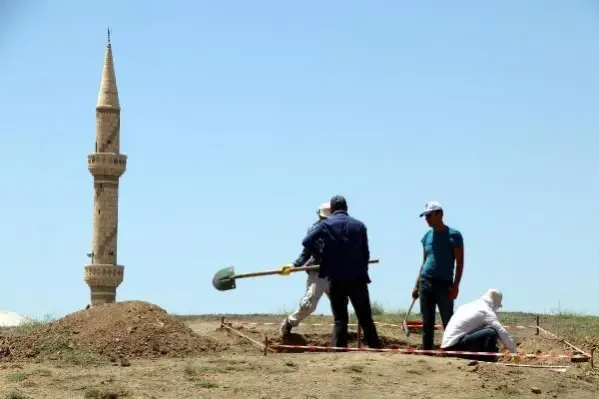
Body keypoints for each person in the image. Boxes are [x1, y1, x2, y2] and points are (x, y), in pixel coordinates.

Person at [301, 195, 381, 348]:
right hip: (358, 277)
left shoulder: (326, 225)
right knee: (365, 318)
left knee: (340, 319)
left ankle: (339, 350)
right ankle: (376, 348)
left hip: (336, 277)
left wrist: (321, 253)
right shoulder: (359, 226)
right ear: (346, 208)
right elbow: (366, 253)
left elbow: (306, 241)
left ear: (331, 209)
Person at [412, 201, 464, 350]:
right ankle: (427, 352)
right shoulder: (426, 237)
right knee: (427, 321)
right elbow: (424, 262)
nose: (426, 219)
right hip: (426, 282)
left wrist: (456, 285)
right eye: (425, 216)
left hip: (444, 284)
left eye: (429, 215)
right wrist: (416, 285)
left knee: (448, 321)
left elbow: (460, 263)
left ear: (439, 214)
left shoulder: (454, 235)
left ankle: (451, 351)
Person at [280, 202, 333, 336]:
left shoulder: (340, 229)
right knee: (309, 304)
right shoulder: (315, 229)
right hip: (318, 273)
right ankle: (289, 322)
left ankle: (341, 334)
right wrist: (295, 265)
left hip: (335, 272)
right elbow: (306, 252)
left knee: (340, 304)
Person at [441, 289, 518, 362]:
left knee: (485, 330)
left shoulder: (471, 305)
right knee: (491, 332)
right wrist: (515, 352)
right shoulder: (485, 311)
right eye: (498, 306)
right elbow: (501, 332)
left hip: (447, 346)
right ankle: (488, 360)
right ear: (495, 303)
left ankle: (480, 357)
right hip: (455, 347)